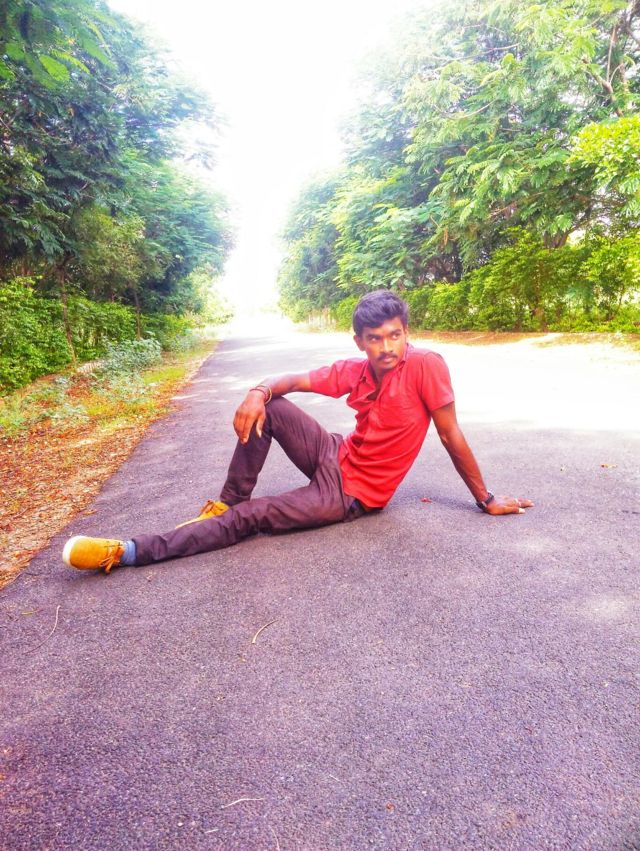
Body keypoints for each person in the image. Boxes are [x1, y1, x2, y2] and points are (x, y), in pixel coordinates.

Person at [63, 290, 533, 573]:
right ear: (360, 341)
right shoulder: (355, 369)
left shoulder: (427, 366)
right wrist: (257, 392)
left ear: (406, 332)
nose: (386, 347)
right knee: (271, 406)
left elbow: (450, 434)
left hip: (350, 494)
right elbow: (289, 381)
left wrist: (486, 498)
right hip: (334, 453)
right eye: (375, 338)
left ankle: (127, 552)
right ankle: (227, 503)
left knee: (253, 517)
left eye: (394, 335)